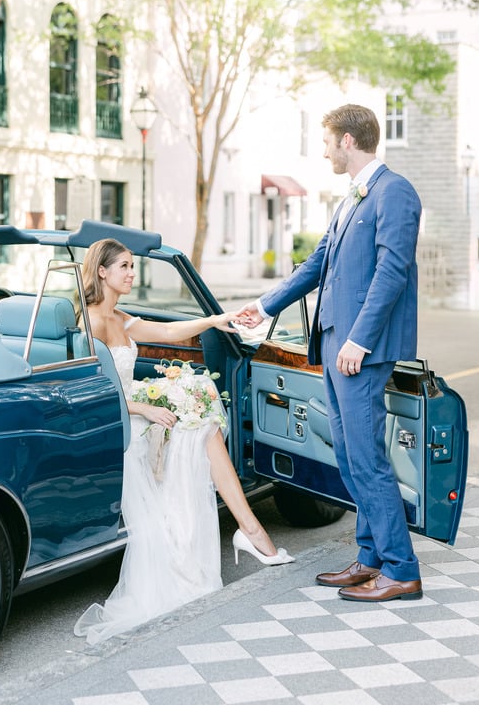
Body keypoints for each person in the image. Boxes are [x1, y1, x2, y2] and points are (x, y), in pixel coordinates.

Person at [236, 103, 423, 603]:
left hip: (362, 345)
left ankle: (401, 569)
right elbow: (318, 262)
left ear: (346, 140)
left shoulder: (394, 191)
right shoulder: (350, 200)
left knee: (366, 458)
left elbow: (392, 271)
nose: (322, 151)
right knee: (348, 456)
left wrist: (360, 339)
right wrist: (263, 304)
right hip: (338, 343)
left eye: (325, 141)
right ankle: (370, 558)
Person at [74, 238, 293, 645]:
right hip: (118, 425)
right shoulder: (90, 323)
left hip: (136, 411)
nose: (131, 273)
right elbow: (97, 389)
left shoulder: (120, 318)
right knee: (201, 428)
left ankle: (250, 529)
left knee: (204, 418)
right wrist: (145, 408)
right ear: (102, 271)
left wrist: (214, 321)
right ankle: (252, 531)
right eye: (124, 266)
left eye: (132, 266)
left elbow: (171, 330)